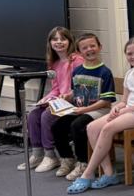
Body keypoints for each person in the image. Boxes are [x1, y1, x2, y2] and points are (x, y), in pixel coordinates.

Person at [67, 37, 134, 193]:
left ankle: (87, 173)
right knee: (92, 127)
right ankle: (109, 173)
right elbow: (124, 100)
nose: (133, 57)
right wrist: (117, 108)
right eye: (129, 54)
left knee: (107, 128)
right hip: (128, 111)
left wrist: (124, 110)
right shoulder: (130, 73)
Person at [50, 33, 117, 181]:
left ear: (100, 47)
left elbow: (107, 100)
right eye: (85, 48)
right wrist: (67, 96)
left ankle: (83, 163)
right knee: (56, 126)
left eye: (92, 46)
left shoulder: (104, 72)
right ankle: (67, 158)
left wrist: (84, 110)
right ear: (79, 52)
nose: (89, 50)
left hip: (98, 111)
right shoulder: (78, 71)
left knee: (77, 125)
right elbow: (75, 92)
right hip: (80, 110)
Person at [17, 26, 83, 174]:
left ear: (69, 41)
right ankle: (38, 153)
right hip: (60, 100)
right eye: (55, 39)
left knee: (47, 115)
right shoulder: (54, 63)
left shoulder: (77, 61)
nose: (59, 42)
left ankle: (50, 155)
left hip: (74, 102)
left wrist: (66, 96)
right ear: (50, 43)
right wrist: (46, 99)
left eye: (63, 39)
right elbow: (56, 89)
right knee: (33, 114)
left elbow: (80, 86)